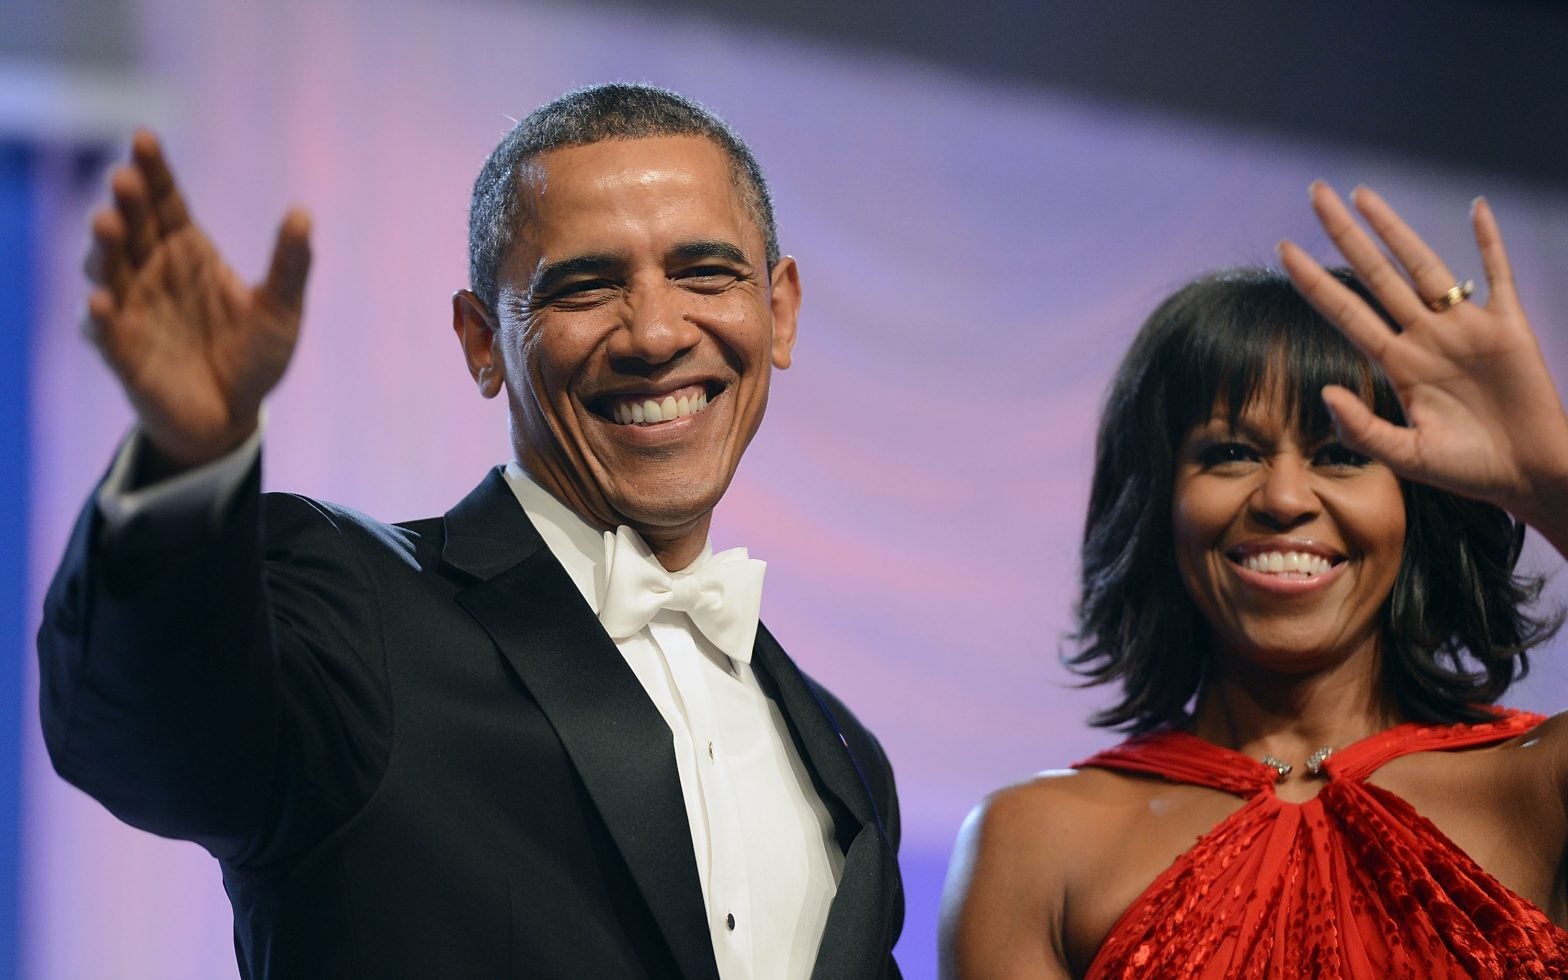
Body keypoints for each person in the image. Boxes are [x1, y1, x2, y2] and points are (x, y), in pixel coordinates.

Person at [39, 83, 902, 979]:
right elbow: (149, 734)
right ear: (482, 340)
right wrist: (188, 463)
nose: (654, 333)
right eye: (586, 286)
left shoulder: (848, 762)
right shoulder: (355, 613)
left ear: (779, 309)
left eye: (704, 274)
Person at [939, 182, 1568, 978]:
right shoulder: (1033, 842)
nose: (1284, 497)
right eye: (1230, 453)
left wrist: (1552, 483)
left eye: (1343, 454)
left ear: (1422, 505)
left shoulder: (1541, 787)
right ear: (1157, 506)